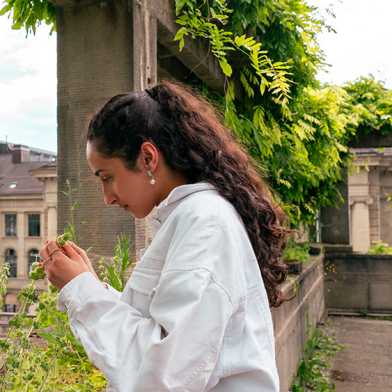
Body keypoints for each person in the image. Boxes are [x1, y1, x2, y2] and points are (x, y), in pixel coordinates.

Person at [40, 80, 289, 392]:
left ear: (147, 158)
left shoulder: (204, 223)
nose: (107, 197)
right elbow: (167, 330)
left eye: (107, 177)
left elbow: (164, 374)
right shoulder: (194, 217)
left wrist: (81, 290)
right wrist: (93, 286)